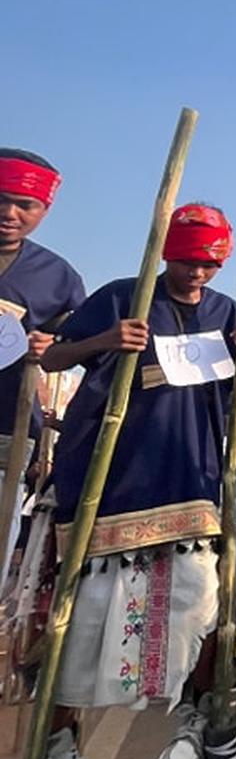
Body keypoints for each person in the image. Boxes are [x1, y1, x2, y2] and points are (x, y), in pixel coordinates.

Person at [29, 204, 236, 759]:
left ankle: (193, 716)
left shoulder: (225, 310)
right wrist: (106, 341)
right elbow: (50, 360)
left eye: (211, 264)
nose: (199, 274)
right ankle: (58, 747)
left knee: (199, 605)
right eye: (189, 261)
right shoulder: (122, 295)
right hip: (107, 481)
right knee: (78, 619)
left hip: (189, 478)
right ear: (167, 254)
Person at [0, 150, 86, 580]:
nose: (9, 213)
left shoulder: (56, 276)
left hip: (8, 423)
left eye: (24, 204)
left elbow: (78, 343)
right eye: (0, 199)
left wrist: (50, 345)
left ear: (43, 210)